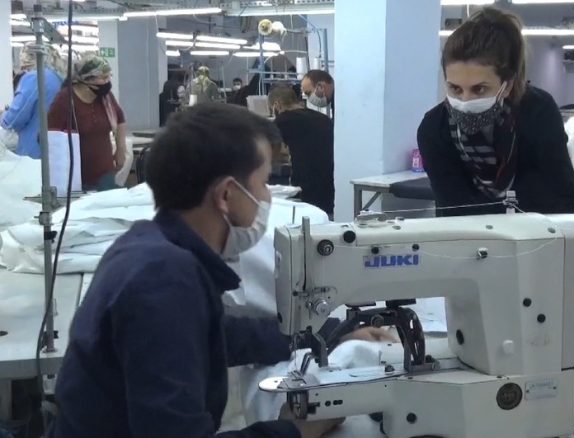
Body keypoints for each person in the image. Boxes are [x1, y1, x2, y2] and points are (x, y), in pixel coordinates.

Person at [46, 103, 391, 438]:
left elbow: (224, 336)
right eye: (263, 183)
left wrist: (331, 333)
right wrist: (293, 430)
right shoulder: (163, 281)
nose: (267, 197)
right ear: (226, 194)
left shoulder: (148, 247)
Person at [417, 7, 574, 217]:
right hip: (466, 232)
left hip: (538, 230)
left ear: (508, 85)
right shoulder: (434, 129)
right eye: (455, 89)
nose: (465, 102)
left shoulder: (538, 112)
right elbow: (453, 210)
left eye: (479, 89)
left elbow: (564, 199)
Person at [48, 54, 126, 191]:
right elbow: (51, 136)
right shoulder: (65, 100)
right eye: (103, 78)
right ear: (86, 80)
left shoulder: (106, 97)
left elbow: (120, 119)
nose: (108, 82)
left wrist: (121, 150)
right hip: (75, 177)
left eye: (109, 77)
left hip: (105, 173)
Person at [268, 84, 335, 217]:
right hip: (329, 187)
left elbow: (268, 153)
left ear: (277, 104)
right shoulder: (323, 119)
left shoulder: (282, 120)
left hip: (305, 188)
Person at [1, 43, 65, 159]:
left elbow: (14, 119)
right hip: (57, 149)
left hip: (34, 152)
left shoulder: (35, 78)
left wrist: (3, 115)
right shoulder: (59, 78)